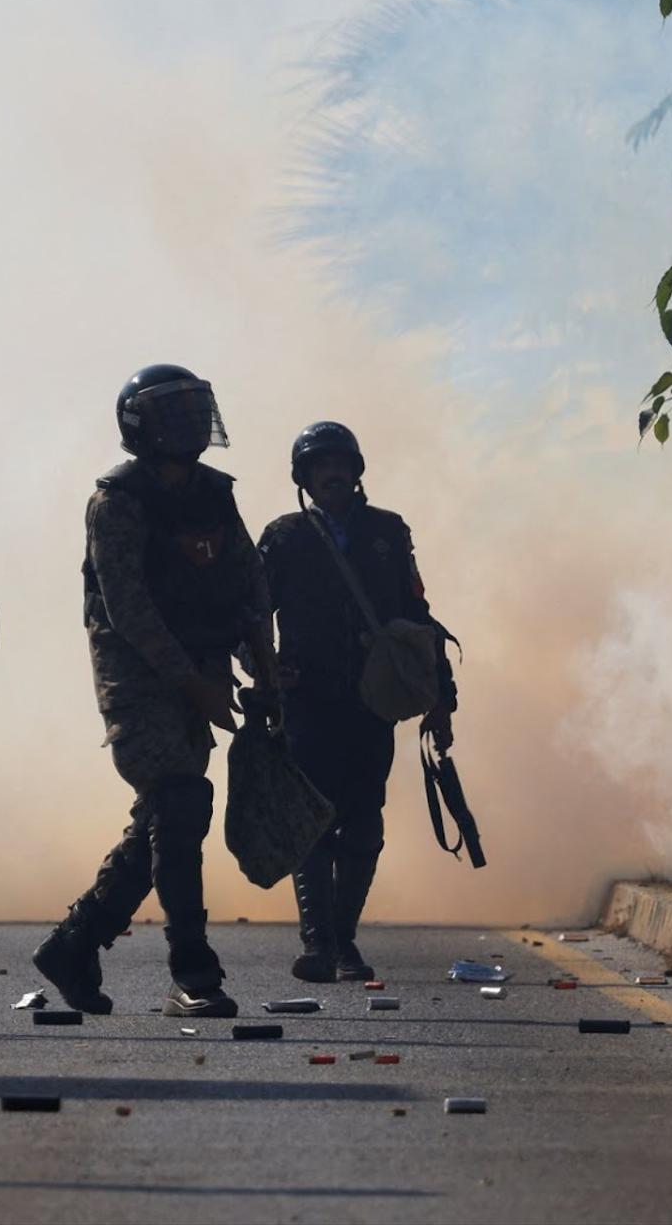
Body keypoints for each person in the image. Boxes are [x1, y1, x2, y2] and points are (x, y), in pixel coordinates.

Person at [33, 364, 278, 1018]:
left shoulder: (215, 494)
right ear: (142, 427)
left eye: (197, 411)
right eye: (175, 415)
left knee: (165, 822)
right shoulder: (117, 502)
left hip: (200, 675)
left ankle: (73, 944)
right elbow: (128, 608)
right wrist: (189, 680)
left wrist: (266, 663)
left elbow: (250, 583)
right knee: (180, 804)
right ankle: (193, 973)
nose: (192, 425)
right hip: (140, 680)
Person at [257, 421, 456, 983]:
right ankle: (319, 943)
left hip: (372, 702)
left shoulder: (387, 533)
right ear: (305, 476)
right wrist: (264, 673)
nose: (332, 474)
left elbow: (418, 617)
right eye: (320, 466)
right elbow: (251, 613)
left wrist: (441, 697)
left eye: (340, 464)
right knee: (314, 822)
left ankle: (345, 939)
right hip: (307, 703)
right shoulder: (284, 537)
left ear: (356, 470)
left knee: (364, 822)